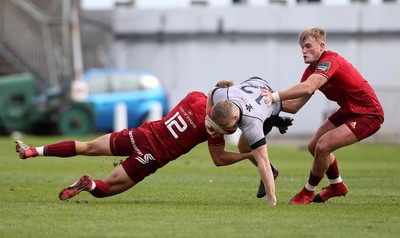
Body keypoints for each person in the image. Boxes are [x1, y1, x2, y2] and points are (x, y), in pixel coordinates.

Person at [16, 91, 289, 202]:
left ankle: (33, 151)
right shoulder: (213, 132)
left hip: (140, 134)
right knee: (106, 189)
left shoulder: (194, 97)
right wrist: (246, 154)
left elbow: (216, 95)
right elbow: (218, 160)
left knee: (86, 146)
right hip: (151, 156)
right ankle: (88, 185)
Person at [262, 27, 384, 204]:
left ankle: (308, 191)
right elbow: (295, 105)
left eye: (308, 46)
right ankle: (337, 186)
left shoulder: (330, 61)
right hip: (348, 110)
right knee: (313, 146)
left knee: (323, 146)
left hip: (368, 113)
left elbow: (309, 87)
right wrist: (264, 104)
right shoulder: (311, 70)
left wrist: (273, 96)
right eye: (302, 47)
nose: (304, 51)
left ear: (322, 45)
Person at [205, 77, 287, 206]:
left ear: (235, 117)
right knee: (243, 147)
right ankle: (280, 121)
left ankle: (277, 119)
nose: (222, 129)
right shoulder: (221, 94)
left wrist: (271, 198)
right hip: (253, 84)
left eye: (225, 125)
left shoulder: (252, 124)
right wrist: (207, 118)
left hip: (269, 109)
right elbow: (211, 92)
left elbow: (264, 162)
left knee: (296, 104)